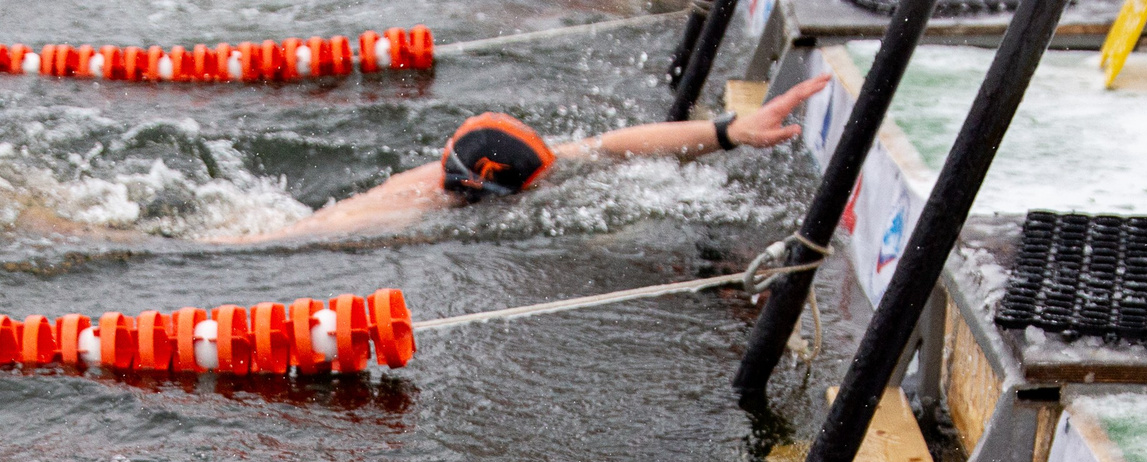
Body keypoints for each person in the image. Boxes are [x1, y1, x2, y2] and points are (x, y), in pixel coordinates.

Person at [220, 78, 835, 243]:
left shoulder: (471, 176)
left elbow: (615, 145)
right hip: (301, 229)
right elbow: (299, 239)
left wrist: (728, 131)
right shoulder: (388, 220)